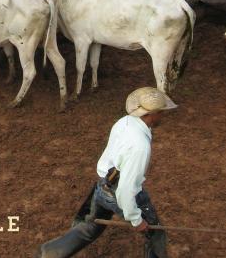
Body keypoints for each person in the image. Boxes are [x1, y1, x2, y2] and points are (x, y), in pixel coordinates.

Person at [36, 87, 177, 258]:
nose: (163, 115)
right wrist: (136, 219)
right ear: (151, 114)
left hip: (103, 185)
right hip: (118, 191)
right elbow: (126, 190)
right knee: (156, 234)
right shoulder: (140, 146)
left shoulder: (124, 121)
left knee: (91, 226)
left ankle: (50, 253)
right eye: (160, 112)